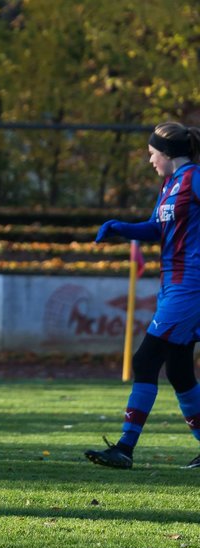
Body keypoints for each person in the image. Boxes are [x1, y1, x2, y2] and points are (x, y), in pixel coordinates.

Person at [88, 121, 200, 470]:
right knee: (179, 370)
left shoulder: (195, 178)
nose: (150, 161)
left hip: (191, 286)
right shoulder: (169, 185)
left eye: (152, 154)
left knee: (145, 359)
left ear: (167, 154)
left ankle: (125, 447)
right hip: (173, 285)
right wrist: (121, 227)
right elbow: (157, 228)